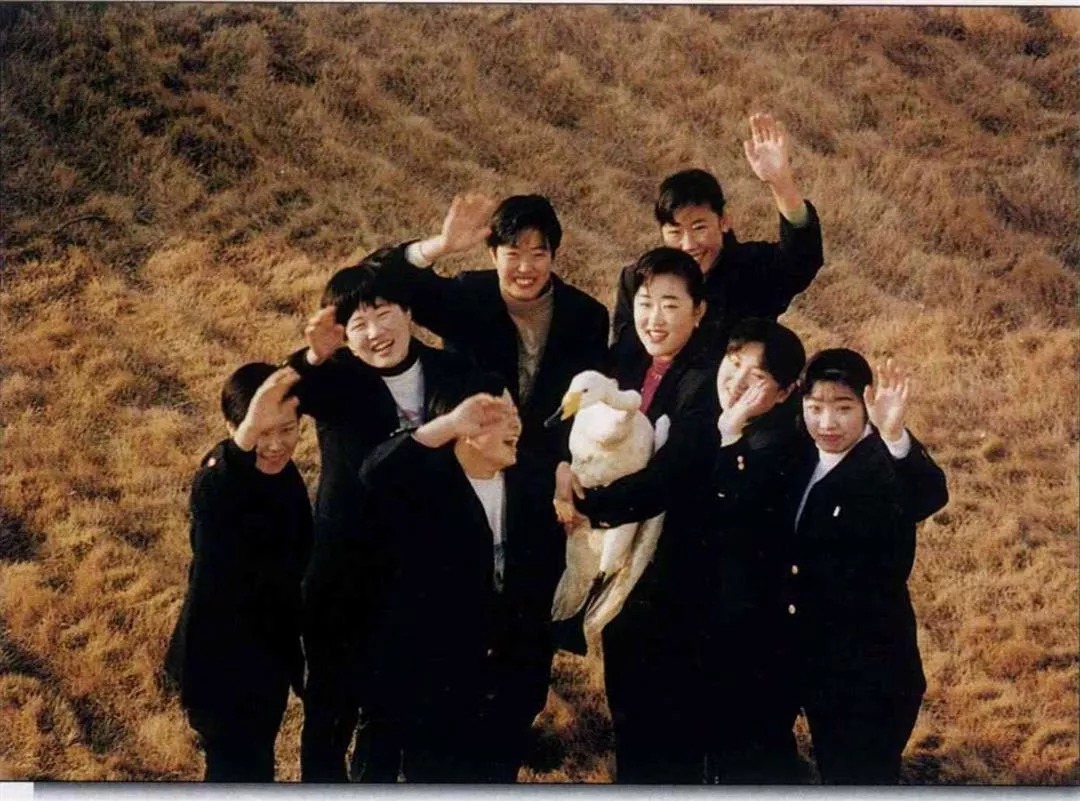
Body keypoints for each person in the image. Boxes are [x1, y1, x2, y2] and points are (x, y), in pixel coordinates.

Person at [711, 348, 947, 784]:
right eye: (815, 407)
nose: (827, 423)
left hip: (863, 667)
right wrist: (730, 433)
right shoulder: (796, 454)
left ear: (866, 406)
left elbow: (926, 495)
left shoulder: (881, 463)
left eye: (843, 408)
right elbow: (741, 502)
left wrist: (895, 436)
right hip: (788, 652)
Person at [283, 256, 470, 782]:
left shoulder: (452, 372)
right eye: (357, 324)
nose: (374, 333)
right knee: (329, 710)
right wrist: (313, 357)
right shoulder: (334, 378)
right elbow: (277, 394)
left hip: (416, 572)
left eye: (382, 313)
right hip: (342, 570)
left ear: (407, 312)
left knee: (390, 712)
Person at [555, 247, 719, 784]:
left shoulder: (706, 379)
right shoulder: (621, 362)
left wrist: (589, 505)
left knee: (673, 717)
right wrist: (562, 474)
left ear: (698, 311)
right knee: (628, 705)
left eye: (671, 305)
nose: (655, 318)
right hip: (619, 564)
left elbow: (674, 471)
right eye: (646, 303)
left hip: (675, 568)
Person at [358, 371, 566, 782]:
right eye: (499, 415)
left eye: (515, 412)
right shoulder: (424, 486)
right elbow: (375, 472)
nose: (515, 424)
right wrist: (448, 424)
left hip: (512, 682)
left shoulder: (531, 482)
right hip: (437, 688)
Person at [377, 193, 610, 467]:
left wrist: (569, 466)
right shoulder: (467, 296)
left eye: (538, 255)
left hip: (545, 470)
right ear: (493, 254)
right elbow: (381, 279)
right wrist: (441, 245)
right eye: (513, 254)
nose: (525, 268)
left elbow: (589, 406)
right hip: (466, 460)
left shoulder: (586, 316)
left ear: (552, 256)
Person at [164, 364, 311, 782]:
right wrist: (245, 440)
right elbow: (216, 494)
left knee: (257, 765)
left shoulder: (287, 478)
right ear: (234, 428)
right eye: (261, 433)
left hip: (267, 659)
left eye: (288, 430)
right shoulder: (219, 478)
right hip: (219, 663)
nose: (276, 445)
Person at [611, 113, 824, 362]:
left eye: (699, 228)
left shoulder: (754, 270)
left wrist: (782, 184)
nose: (688, 245)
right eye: (675, 232)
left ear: (724, 221)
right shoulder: (637, 279)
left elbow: (802, 257)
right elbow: (624, 356)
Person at [700, 318, 808, 784]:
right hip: (715, 612)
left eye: (757, 376)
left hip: (756, 625)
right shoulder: (716, 417)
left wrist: (729, 436)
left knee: (751, 746)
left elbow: (735, 510)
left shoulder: (785, 443)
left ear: (785, 393)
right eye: (734, 362)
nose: (737, 380)